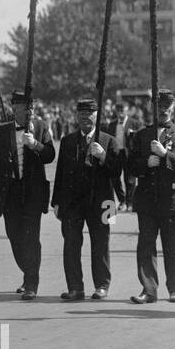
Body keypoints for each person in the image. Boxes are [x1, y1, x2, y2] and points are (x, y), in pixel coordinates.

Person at [128, 89, 175, 304]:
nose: (164, 111)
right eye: (160, 107)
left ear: (173, 109)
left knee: (173, 248)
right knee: (146, 247)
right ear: (152, 108)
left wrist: (166, 155)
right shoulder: (141, 135)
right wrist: (145, 163)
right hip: (148, 201)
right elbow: (129, 165)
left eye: (168, 107)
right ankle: (149, 289)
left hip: (172, 201)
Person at [51, 98, 122, 301]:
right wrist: (56, 201)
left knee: (101, 244)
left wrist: (103, 156)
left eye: (89, 114)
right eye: (81, 115)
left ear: (97, 116)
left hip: (103, 202)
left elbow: (117, 171)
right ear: (76, 117)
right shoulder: (67, 141)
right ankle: (75, 287)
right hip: (73, 201)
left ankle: (101, 285)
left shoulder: (108, 141)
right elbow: (61, 173)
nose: (85, 119)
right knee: (71, 244)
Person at [0, 89, 55, 300]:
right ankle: (28, 273)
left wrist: (35, 144)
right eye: (25, 107)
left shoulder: (42, 127)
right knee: (14, 236)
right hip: (11, 193)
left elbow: (50, 155)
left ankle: (32, 282)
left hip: (33, 193)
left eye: (32, 106)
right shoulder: (1, 131)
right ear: (14, 107)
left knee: (31, 238)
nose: (30, 111)